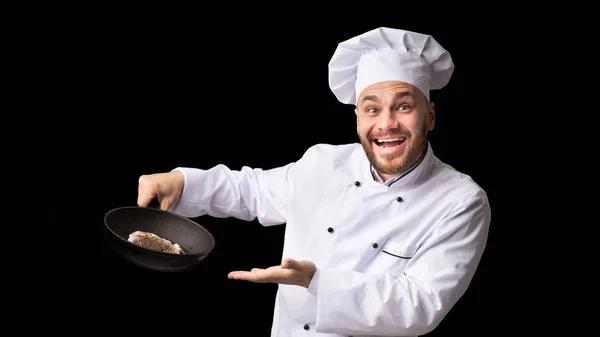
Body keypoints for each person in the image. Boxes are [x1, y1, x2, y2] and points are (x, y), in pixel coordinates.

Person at [137, 27, 491, 337]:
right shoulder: (323, 162)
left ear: (429, 115)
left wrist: (315, 280)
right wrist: (181, 181)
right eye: (372, 109)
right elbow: (254, 191)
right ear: (357, 118)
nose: (386, 124)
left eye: (403, 106)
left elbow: (421, 305)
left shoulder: (460, 200)